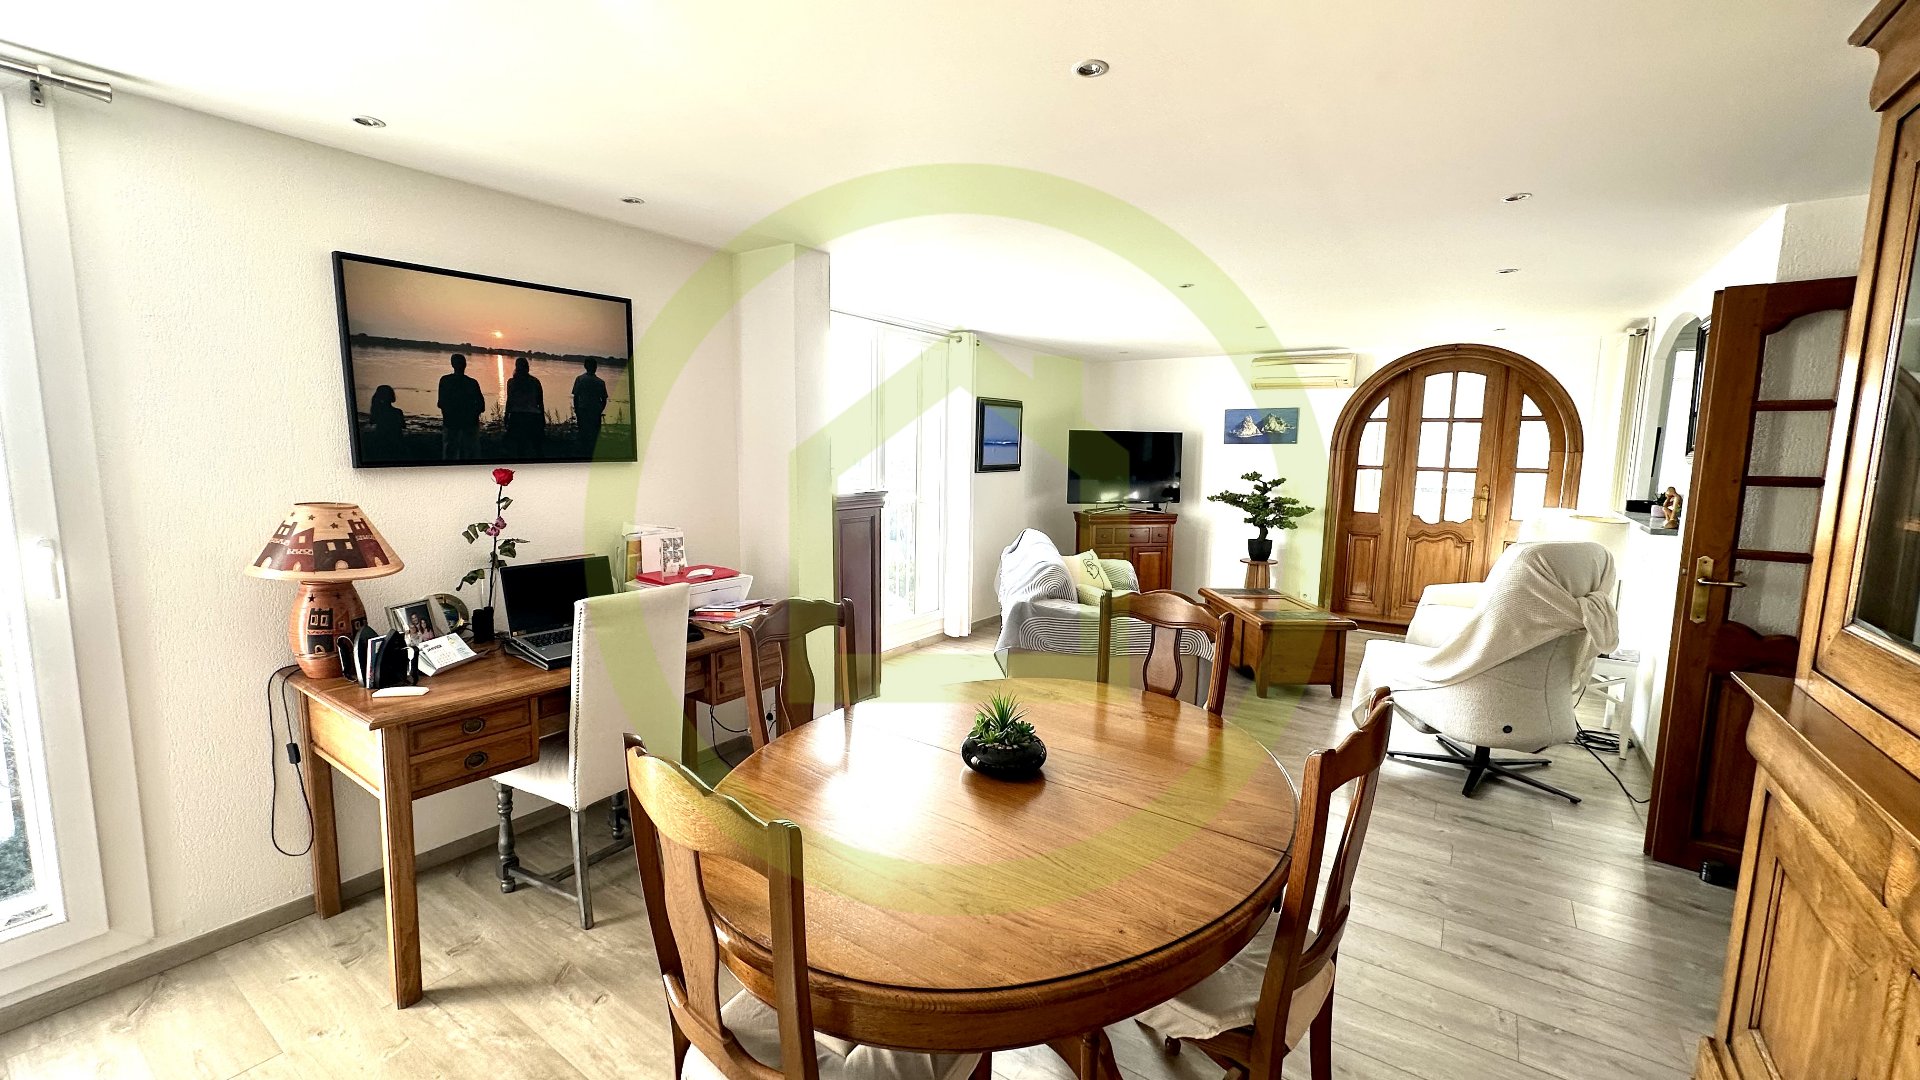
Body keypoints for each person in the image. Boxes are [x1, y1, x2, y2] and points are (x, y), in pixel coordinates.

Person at [436, 354, 485, 459]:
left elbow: (441, 403)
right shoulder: (472, 383)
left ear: (452, 365)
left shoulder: (445, 381)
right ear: (465, 365)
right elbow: (481, 405)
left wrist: (448, 415)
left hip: (451, 422)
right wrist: (473, 416)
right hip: (469, 423)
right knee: (470, 452)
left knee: (450, 452)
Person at [504, 355, 546, 457]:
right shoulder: (535, 382)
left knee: (520, 446)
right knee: (537, 446)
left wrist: (506, 416)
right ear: (527, 367)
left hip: (517, 416)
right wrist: (542, 418)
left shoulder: (511, 382)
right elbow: (540, 402)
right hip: (533, 416)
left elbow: (509, 401)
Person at [571, 357, 609, 455]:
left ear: (585, 366)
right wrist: (600, 410)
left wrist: (577, 410)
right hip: (595, 411)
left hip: (583, 410)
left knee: (583, 432)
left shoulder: (580, 379)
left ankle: (582, 452)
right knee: (594, 434)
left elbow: (576, 396)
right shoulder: (600, 382)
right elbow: (604, 399)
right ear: (596, 367)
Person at [367, 384, 406, 461]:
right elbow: (403, 426)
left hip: (380, 440)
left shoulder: (377, 411)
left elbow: (372, 422)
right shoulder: (397, 412)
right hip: (396, 441)